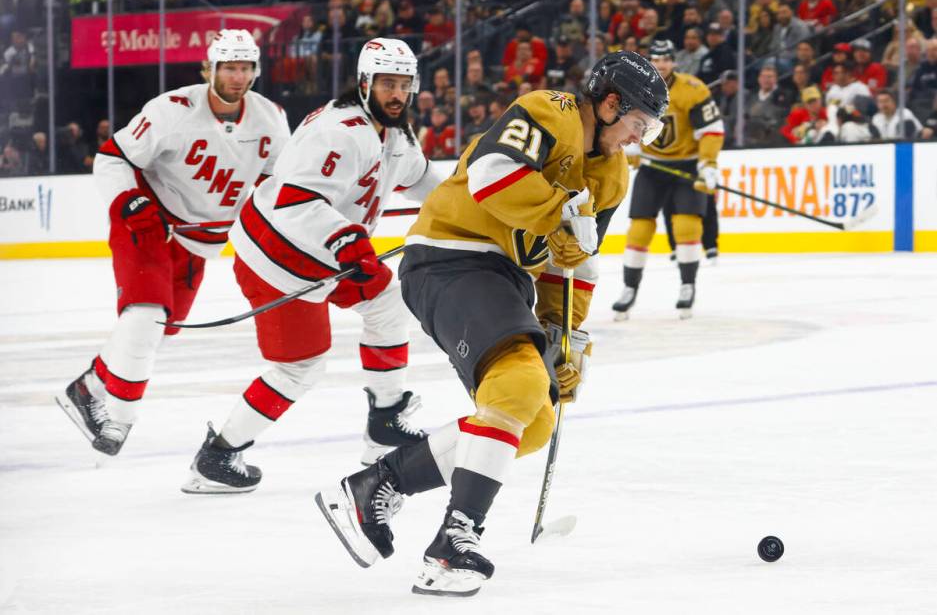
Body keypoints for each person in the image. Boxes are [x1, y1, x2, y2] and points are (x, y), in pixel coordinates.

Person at [315, 52, 668, 596]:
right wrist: (558, 211)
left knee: (533, 421)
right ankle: (455, 542)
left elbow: (574, 258)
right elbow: (490, 175)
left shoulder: (612, 174)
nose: (636, 138)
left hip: (503, 277)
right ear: (611, 102)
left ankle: (376, 484)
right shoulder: (548, 113)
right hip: (449, 255)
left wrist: (563, 335)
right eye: (637, 124)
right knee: (520, 384)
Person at [181, 38, 444, 493]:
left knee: (386, 303)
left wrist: (469, 204)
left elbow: (423, 182)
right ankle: (217, 456)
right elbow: (294, 200)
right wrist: (347, 240)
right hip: (276, 258)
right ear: (364, 84)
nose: (397, 93)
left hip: (329, 253)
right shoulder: (338, 131)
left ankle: (385, 419)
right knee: (298, 367)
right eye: (386, 83)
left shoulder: (395, 136)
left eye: (405, 83)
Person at [56, 30, 290, 456]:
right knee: (145, 317)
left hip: (200, 243)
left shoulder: (271, 119)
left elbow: (278, 188)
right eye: (228, 67)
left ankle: (88, 387)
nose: (237, 77)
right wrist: (131, 203)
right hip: (149, 224)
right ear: (209, 68)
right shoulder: (173, 109)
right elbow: (113, 156)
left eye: (245, 68)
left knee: (155, 332)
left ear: (255, 70)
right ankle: (120, 422)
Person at [613, 39, 724, 320]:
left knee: (687, 226)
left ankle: (688, 285)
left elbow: (711, 129)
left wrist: (708, 163)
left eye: (666, 59)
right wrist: (633, 145)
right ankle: (629, 289)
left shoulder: (693, 90)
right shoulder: (637, 87)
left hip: (686, 166)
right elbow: (623, 119)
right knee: (639, 229)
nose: (661, 65)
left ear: (673, 61)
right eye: (656, 59)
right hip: (654, 168)